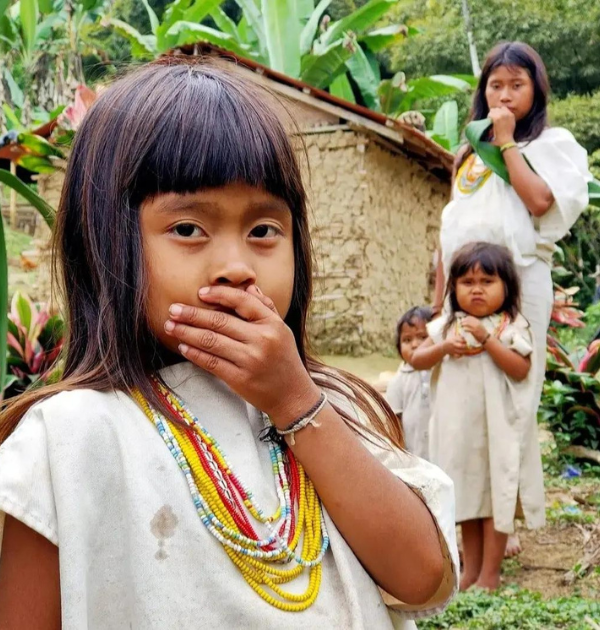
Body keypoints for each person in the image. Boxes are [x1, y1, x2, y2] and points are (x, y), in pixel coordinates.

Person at [0, 59, 459, 630]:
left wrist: (296, 405)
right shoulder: (68, 439)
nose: (237, 268)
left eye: (264, 230)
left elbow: (421, 577)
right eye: (188, 229)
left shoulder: (329, 408)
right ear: (107, 247)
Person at [433, 40, 592, 557]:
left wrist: (506, 142)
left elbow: (541, 201)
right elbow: (448, 232)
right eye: (495, 85)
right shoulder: (466, 155)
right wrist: (441, 306)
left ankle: (505, 531)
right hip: (465, 296)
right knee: (462, 415)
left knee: (509, 407)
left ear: (536, 89)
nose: (504, 94)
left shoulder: (552, 144)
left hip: (520, 289)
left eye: (516, 85)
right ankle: (471, 535)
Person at [414, 242, 545, 591]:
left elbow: (520, 368)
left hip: (497, 431)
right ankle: (470, 570)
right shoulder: (447, 325)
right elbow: (416, 360)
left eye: (487, 281)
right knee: (468, 498)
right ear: (453, 288)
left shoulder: (511, 326)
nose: (476, 289)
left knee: (496, 498)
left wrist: (488, 340)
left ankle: (490, 574)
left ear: (507, 287)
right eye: (467, 281)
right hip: (460, 433)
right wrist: (443, 348)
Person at [385, 306, 433, 460]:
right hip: (414, 456)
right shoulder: (398, 381)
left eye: (422, 337)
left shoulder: (442, 372)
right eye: (407, 340)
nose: (415, 345)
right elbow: (395, 425)